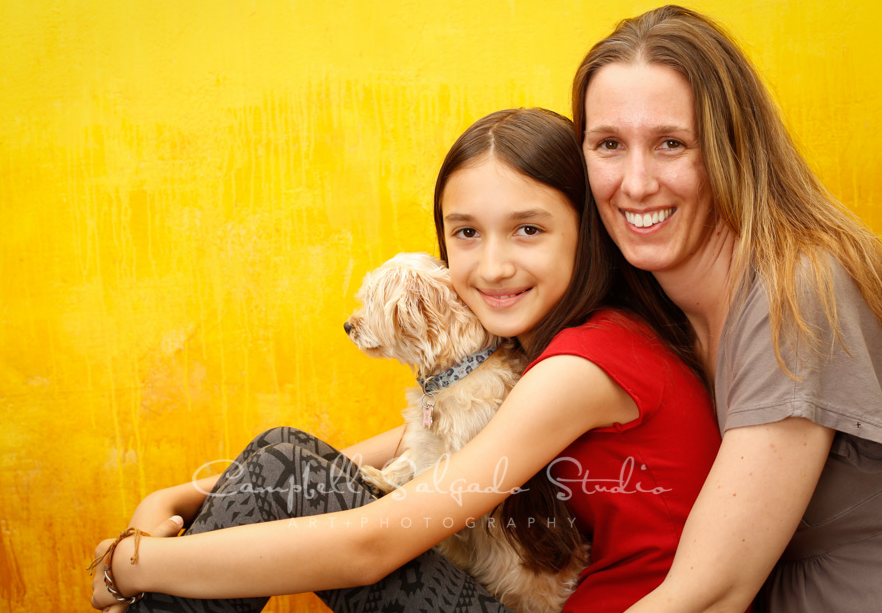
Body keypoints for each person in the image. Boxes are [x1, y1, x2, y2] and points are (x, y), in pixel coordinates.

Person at [90, 108, 721, 613]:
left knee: (285, 465)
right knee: (283, 461)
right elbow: (422, 434)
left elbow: (371, 548)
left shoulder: (582, 367)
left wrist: (131, 561)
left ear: (589, 232)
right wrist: (185, 494)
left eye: (529, 229)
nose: (493, 265)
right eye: (466, 232)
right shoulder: (567, 345)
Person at [572, 5, 882, 612]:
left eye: (671, 144)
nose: (635, 184)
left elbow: (709, 595)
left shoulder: (799, 288)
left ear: (732, 148)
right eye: (609, 144)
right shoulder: (650, 301)